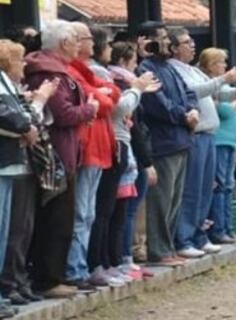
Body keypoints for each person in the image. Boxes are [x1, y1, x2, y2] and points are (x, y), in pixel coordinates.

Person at [24, 20, 97, 298]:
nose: (79, 45)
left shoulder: (55, 69)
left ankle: (52, 276)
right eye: (76, 40)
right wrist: (89, 109)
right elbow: (64, 114)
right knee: (55, 221)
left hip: (64, 152)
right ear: (64, 43)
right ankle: (49, 279)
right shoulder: (48, 72)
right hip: (53, 155)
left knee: (62, 219)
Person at [168, 28, 236, 257]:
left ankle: (199, 234)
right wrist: (223, 79)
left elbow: (217, 92)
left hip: (210, 134)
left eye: (192, 42)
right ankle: (184, 238)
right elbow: (192, 92)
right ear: (173, 48)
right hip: (197, 134)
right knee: (192, 189)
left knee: (204, 190)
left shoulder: (191, 70)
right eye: (186, 42)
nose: (192, 45)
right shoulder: (175, 71)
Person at [64, 22, 122, 289]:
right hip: (87, 149)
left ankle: (83, 265)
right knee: (82, 212)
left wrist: (103, 97)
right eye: (83, 39)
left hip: (99, 148)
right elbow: (100, 101)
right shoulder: (71, 71)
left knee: (89, 212)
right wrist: (103, 97)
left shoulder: (85, 71)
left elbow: (112, 96)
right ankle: (77, 267)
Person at [137, 22, 199, 267]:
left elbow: (189, 92)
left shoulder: (170, 68)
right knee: (162, 199)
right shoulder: (146, 67)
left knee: (175, 198)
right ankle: (159, 249)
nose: (167, 43)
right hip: (163, 140)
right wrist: (183, 115)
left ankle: (169, 245)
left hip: (181, 139)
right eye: (162, 38)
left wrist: (192, 110)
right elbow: (157, 103)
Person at [0, 40, 56, 308]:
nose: (23, 65)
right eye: (19, 59)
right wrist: (39, 103)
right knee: (10, 231)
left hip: (18, 163)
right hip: (8, 164)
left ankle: (14, 283)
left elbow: (26, 121)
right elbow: (19, 120)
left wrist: (27, 121)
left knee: (20, 228)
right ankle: (8, 286)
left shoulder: (11, 88)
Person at [107, 42, 157, 279]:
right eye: (134, 61)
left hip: (132, 150)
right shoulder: (124, 87)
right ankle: (123, 257)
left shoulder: (130, 86)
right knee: (125, 211)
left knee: (127, 210)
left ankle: (124, 258)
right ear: (125, 61)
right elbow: (135, 126)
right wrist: (147, 161)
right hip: (128, 150)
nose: (138, 65)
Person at [198, 48, 236, 244]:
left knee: (228, 185)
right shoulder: (208, 86)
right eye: (221, 63)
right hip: (218, 141)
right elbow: (226, 109)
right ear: (212, 66)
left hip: (228, 142)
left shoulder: (221, 89)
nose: (225, 67)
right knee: (220, 186)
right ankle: (219, 229)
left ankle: (229, 228)